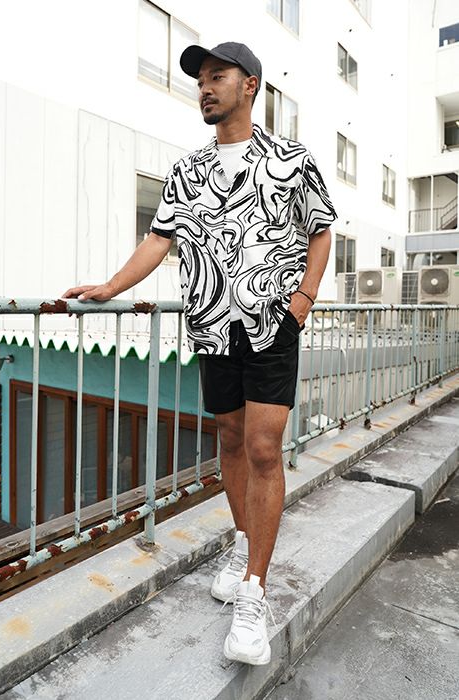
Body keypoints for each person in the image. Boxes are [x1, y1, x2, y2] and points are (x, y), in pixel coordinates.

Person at [63, 41, 337, 666]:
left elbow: (321, 230)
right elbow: (157, 240)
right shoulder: (189, 170)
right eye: (200, 80)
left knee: (264, 448)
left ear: (251, 85)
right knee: (231, 443)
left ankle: (255, 593)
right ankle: (243, 543)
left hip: (271, 324)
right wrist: (109, 287)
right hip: (213, 326)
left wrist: (304, 296)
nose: (205, 87)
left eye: (218, 76)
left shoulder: (292, 160)